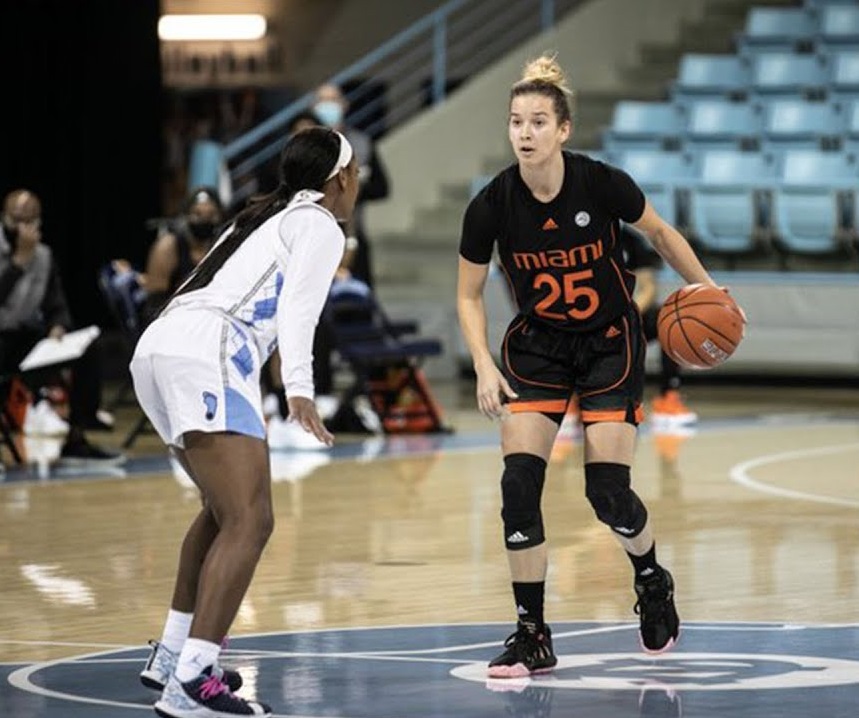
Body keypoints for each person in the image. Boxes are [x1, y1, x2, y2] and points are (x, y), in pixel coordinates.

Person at [457, 55, 735, 678]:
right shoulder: (491, 205)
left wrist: (709, 290)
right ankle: (532, 634)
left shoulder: (601, 182)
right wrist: (481, 363)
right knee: (517, 487)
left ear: (564, 130)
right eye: (515, 121)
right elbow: (468, 295)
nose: (524, 132)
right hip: (538, 348)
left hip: (610, 343)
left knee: (607, 493)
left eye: (537, 121)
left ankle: (651, 576)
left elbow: (661, 235)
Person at [131, 127, 360, 717]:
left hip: (158, 347)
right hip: (207, 349)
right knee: (252, 519)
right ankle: (193, 679)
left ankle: (173, 655)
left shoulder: (258, 214)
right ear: (340, 178)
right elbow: (299, 311)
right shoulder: (319, 224)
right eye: (355, 172)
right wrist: (301, 389)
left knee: (221, 512)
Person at [0, 189, 124, 463]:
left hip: (24, 339)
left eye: (30, 221)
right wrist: (18, 263)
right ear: (4, 218)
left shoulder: (44, 256)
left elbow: (56, 305)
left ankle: (77, 436)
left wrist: (58, 325)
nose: (23, 228)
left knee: (88, 349)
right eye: (17, 220)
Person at [312, 82, 389, 289]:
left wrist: (354, 189)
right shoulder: (306, 145)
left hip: (353, 234)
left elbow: (382, 187)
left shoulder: (361, 143)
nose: (328, 106)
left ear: (344, 105)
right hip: (314, 236)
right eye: (322, 100)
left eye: (333, 100)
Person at [618, 225, 696, 425]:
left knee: (669, 321)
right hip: (588, 314)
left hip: (627, 313)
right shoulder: (579, 234)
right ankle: (572, 402)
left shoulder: (630, 241)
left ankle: (669, 397)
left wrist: (626, 314)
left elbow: (648, 288)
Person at [139, 187, 225, 324]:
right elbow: (155, 300)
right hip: (172, 319)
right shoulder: (168, 247)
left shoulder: (223, 245)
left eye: (211, 215)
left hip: (211, 317)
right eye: (198, 214)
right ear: (186, 216)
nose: (204, 220)